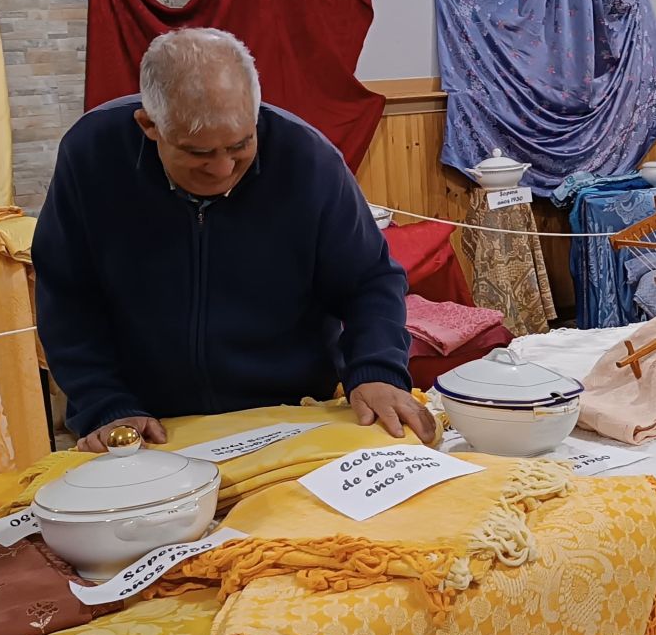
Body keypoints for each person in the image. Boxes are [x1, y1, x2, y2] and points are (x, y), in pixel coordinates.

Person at [33, 27, 435, 451]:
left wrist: (375, 369)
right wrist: (104, 403)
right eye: (198, 154)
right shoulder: (92, 155)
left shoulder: (307, 160)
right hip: (147, 422)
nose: (223, 169)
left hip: (291, 411)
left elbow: (369, 280)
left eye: (240, 146)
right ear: (149, 125)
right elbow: (67, 294)